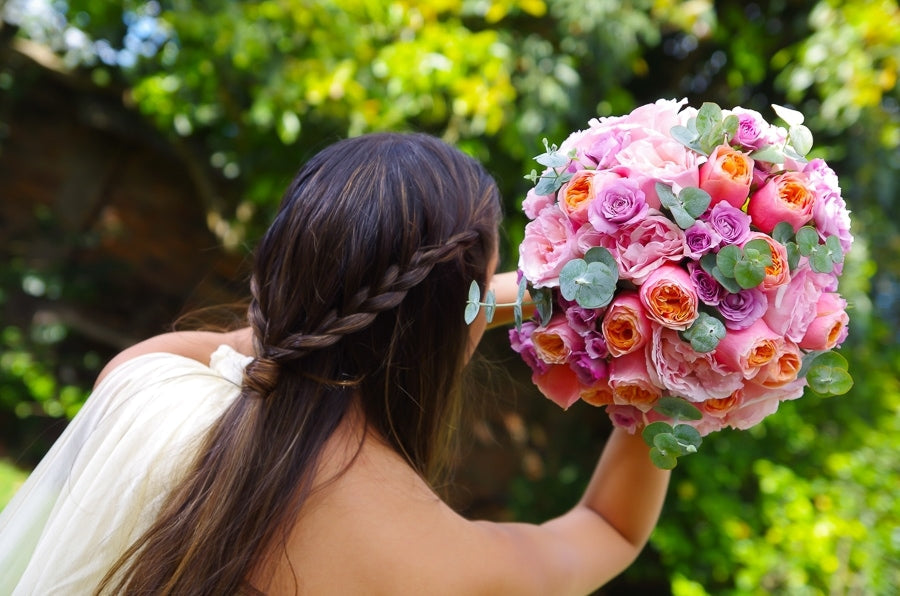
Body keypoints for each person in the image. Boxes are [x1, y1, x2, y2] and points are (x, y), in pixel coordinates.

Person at [0, 132, 669, 595]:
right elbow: (609, 529)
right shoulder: (442, 562)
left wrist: (457, 301)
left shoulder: (145, 382)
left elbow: (271, 339)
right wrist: (677, 362)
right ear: (462, 317)